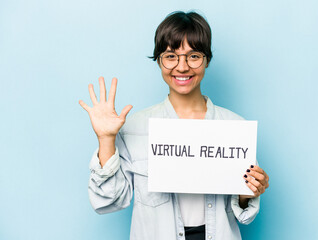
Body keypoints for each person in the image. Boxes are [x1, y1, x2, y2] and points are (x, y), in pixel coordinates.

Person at [79, 11, 269, 240]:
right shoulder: (134, 128)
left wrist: (247, 193)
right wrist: (106, 139)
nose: (182, 67)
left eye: (194, 56)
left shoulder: (234, 127)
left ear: (207, 59)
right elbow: (108, 201)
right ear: (159, 60)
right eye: (171, 56)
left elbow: (245, 214)